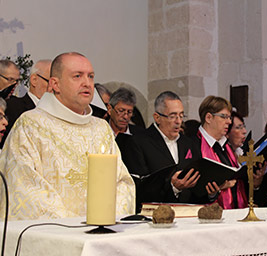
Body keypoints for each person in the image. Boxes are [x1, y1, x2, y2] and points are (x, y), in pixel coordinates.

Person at [0, 52, 135, 220]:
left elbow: (122, 182)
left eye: (90, 76)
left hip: (102, 232)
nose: (87, 83)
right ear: (55, 84)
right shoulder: (30, 125)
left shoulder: (101, 128)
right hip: (57, 235)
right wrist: (73, 225)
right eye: (77, 76)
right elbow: (25, 187)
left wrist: (106, 218)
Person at [127, 91, 210, 211]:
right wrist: (174, 188)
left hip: (188, 216)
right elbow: (139, 190)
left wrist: (210, 193)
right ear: (157, 117)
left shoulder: (189, 143)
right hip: (155, 217)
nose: (178, 121)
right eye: (172, 116)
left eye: (181, 116)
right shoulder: (139, 142)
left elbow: (196, 187)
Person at [194, 95, 247, 209]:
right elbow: (191, 191)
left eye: (229, 117)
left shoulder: (225, 145)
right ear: (208, 118)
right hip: (208, 215)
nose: (229, 121)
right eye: (224, 117)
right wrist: (216, 189)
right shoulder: (193, 145)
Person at [1, 60, 51, 147]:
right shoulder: (12, 107)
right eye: (50, 81)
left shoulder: (57, 113)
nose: (54, 87)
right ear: (34, 80)